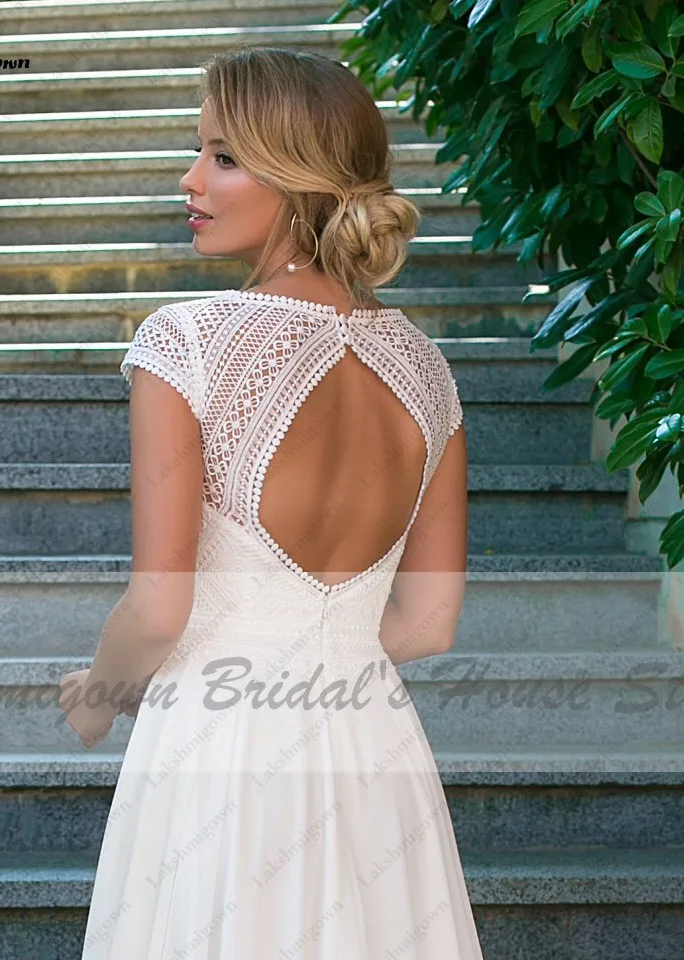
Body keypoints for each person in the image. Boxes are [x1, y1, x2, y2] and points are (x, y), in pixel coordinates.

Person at [59, 46, 482, 959]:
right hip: (373, 745)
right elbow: (430, 623)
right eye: (198, 152)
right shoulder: (428, 370)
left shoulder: (188, 341)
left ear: (296, 177)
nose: (190, 179)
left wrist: (99, 696)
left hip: (220, 748)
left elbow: (160, 606)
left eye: (222, 156)